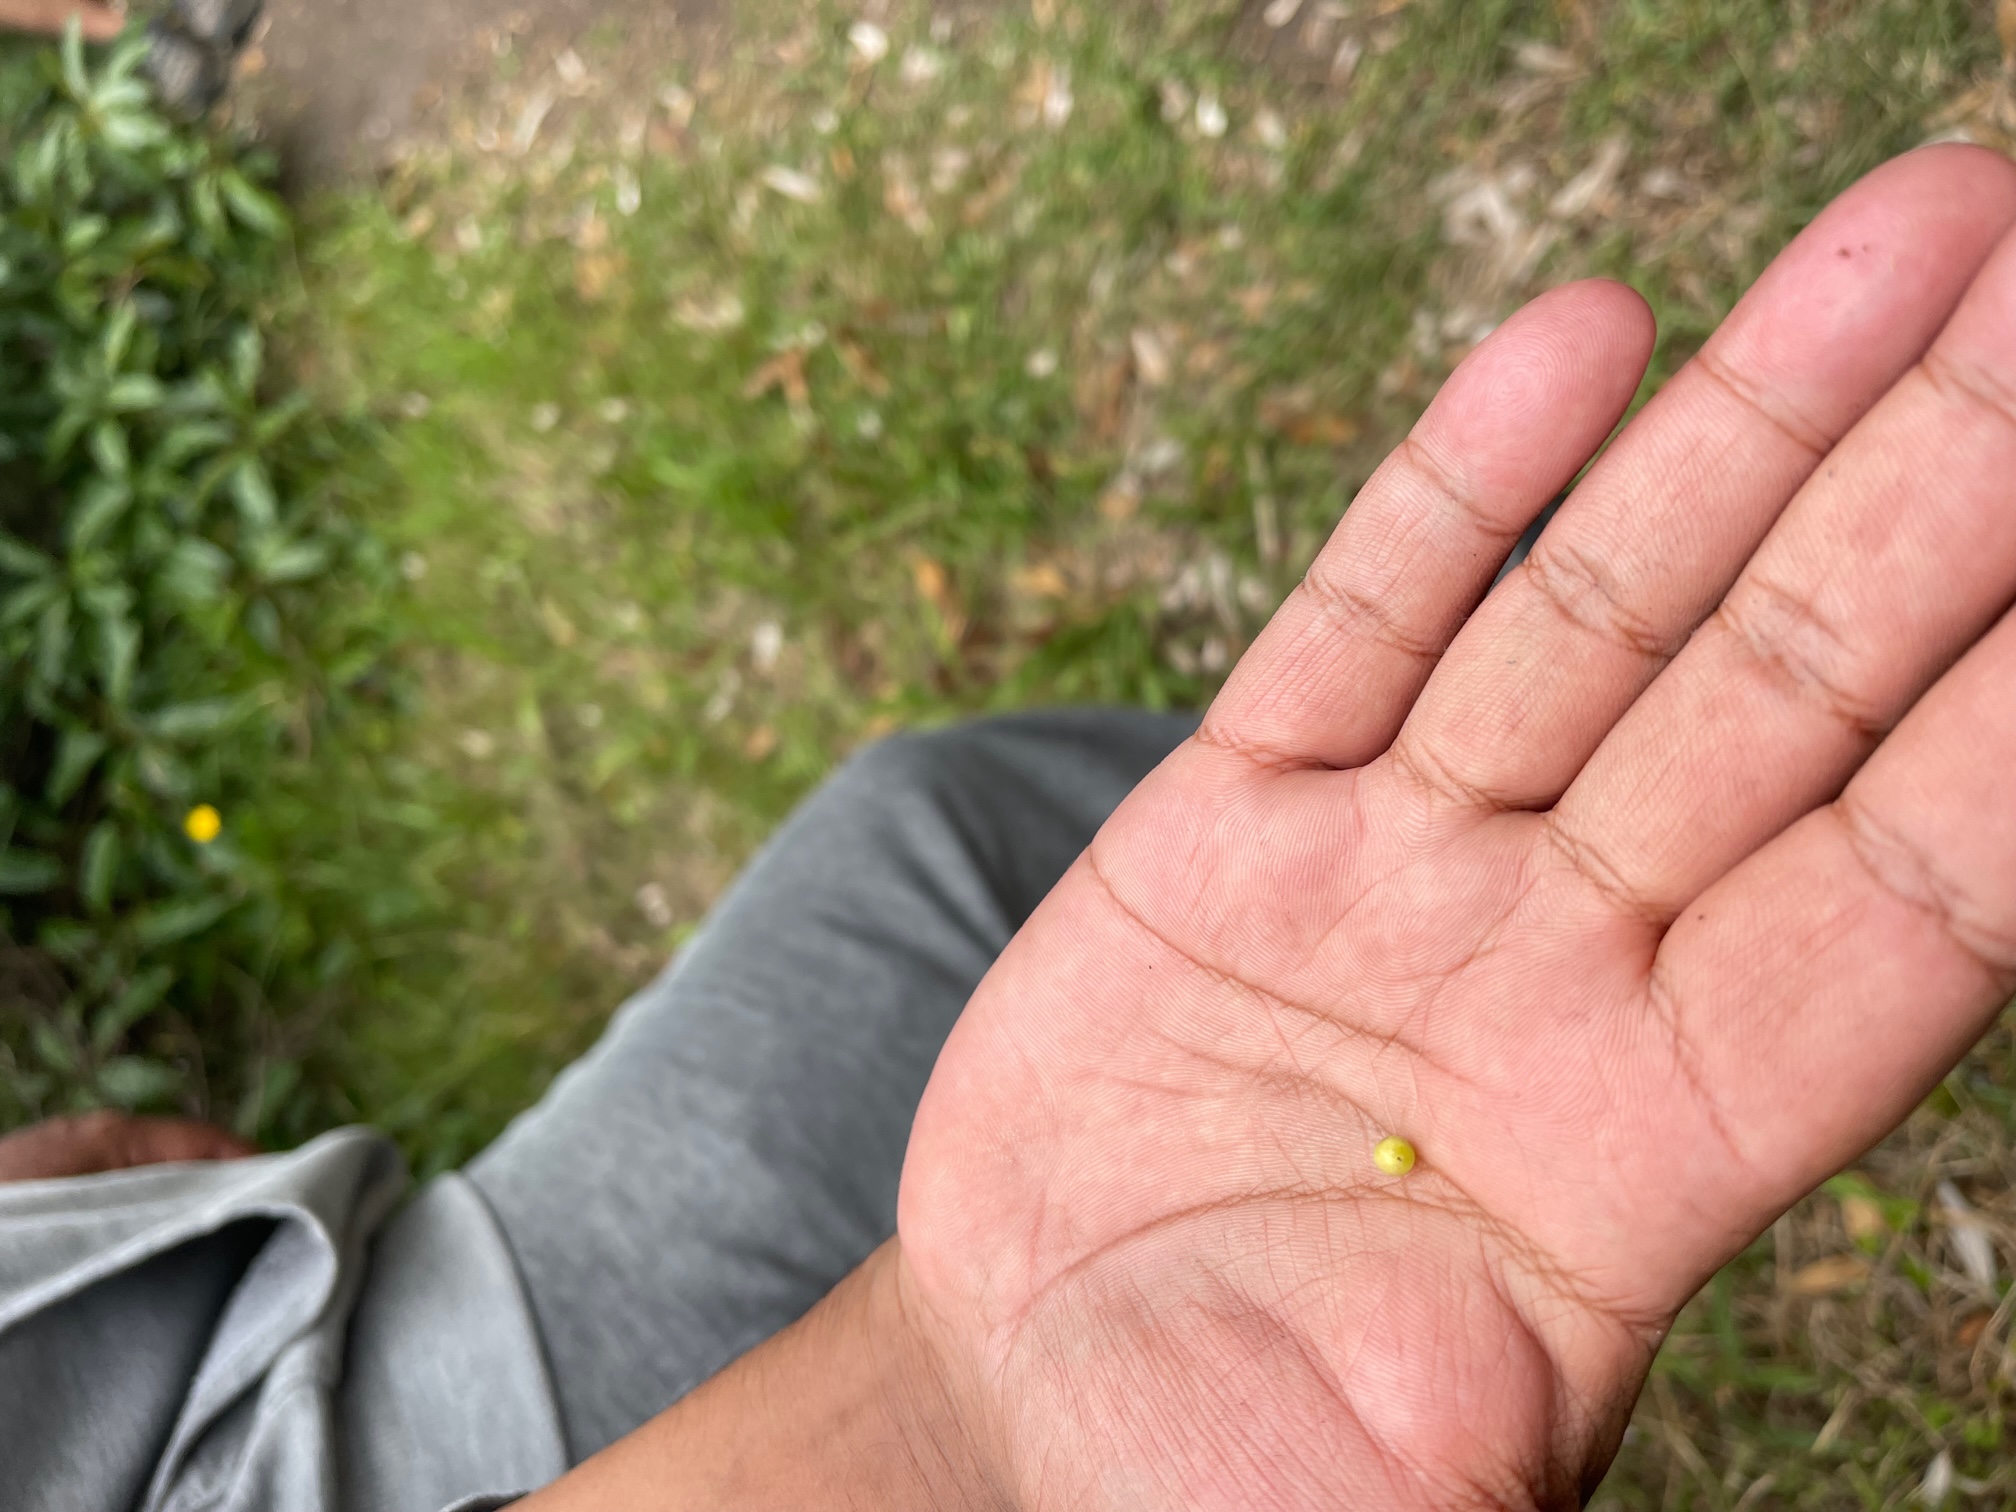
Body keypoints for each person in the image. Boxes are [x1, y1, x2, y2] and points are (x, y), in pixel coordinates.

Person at [4, 141, 2015, 1512]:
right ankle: (1683, 829)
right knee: (955, 850)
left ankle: (1626, 820)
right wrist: (946, 1433)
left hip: (275, 1357)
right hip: (380, 1434)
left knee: (936, 826)